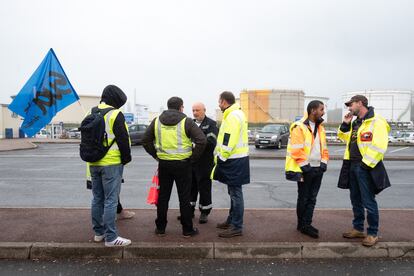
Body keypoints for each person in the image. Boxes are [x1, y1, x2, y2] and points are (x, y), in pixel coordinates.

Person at [142, 97, 206, 237]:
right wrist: (192, 158)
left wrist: (156, 155)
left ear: (168, 106)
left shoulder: (157, 121)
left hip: (164, 164)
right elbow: (202, 140)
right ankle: (187, 230)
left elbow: (145, 140)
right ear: (181, 107)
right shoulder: (186, 121)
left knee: (163, 197)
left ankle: (160, 228)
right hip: (183, 164)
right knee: (184, 197)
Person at [338, 95, 391, 247]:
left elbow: (379, 146)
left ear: (360, 103)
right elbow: (346, 138)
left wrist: (364, 165)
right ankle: (358, 228)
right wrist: (345, 124)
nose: (349, 108)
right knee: (355, 199)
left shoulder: (376, 121)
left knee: (368, 201)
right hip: (352, 165)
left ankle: (373, 233)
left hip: (365, 167)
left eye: (351, 104)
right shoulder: (356, 122)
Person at [88, 85, 132, 247]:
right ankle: (111, 238)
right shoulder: (115, 114)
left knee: (97, 198)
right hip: (111, 163)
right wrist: (126, 159)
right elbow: (123, 140)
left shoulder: (91, 112)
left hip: (93, 162)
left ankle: (98, 233)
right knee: (110, 200)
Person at [285, 100, 329, 239]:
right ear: (313, 110)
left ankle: (305, 224)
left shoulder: (321, 127)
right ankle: (304, 225)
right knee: (304, 198)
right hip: (306, 169)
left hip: (318, 168)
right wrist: (306, 168)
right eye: (321, 109)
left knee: (312, 198)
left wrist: (324, 163)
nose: (323, 112)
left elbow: (324, 148)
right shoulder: (299, 127)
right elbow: (296, 150)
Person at [211, 91, 250, 238]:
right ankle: (232, 220)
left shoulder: (232, 116)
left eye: (219, 101)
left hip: (233, 159)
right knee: (233, 193)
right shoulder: (236, 114)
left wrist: (222, 156)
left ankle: (236, 226)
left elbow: (228, 139)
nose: (218, 104)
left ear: (223, 101)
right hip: (237, 159)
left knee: (235, 194)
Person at [189, 102, 218, 223]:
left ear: (204, 110)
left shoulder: (211, 124)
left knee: (204, 188)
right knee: (190, 187)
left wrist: (195, 144)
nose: (195, 113)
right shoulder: (189, 123)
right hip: (191, 162)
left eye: (198, 110)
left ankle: (204, 212)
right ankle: (189, 211)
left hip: (205, 163)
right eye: (193, 110)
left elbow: (211, 143)